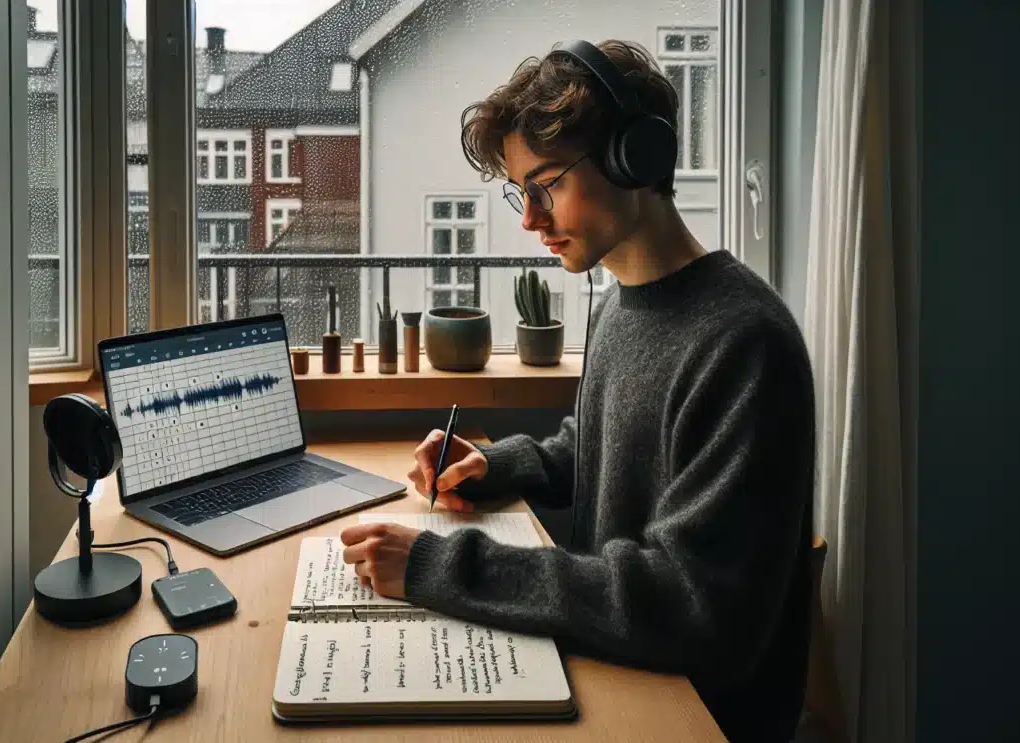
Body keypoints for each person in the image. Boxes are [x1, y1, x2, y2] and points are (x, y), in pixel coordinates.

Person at [339, 39, 815, 743]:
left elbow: (692, 605)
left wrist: (439, 565)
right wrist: (498, 464)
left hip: (688, 713)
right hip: (614, 668)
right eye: (519, 192)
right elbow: (598, 444)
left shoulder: (745, 342)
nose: (529, 219)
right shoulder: (620, 305)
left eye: (547, 185)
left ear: (636, 157)